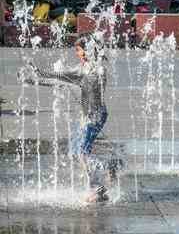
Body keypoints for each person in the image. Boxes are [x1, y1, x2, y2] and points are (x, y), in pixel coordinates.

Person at [18, 34, 110, 202]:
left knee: (81, 152)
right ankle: (100, 183)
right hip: (92, 116)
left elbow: (60, 77)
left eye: (78, 50)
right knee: (77, 151)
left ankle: (99, 181)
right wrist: (34, 80)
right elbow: (60, 80)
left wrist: (38, 73)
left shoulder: (88, 70)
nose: (77, 53)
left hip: (93, 117)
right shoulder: (93, 68)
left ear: (88, 50)